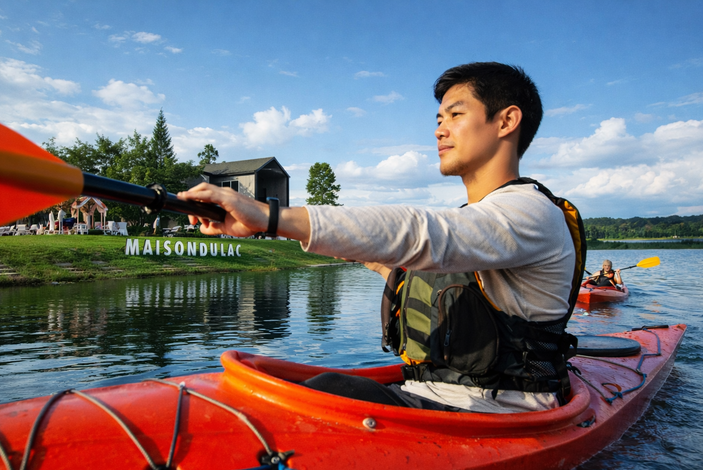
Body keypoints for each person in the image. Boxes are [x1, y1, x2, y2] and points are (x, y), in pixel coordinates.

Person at [178, 62, 584, 413]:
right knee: (322, 387)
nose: (440, 131)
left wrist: (271, 217)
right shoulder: (481, 222)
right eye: (438, 120)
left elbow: (421, 233)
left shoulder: (530, 212)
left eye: (455, 115)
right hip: (432, 395)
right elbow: (411, 264)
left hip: (498, 410)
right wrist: (310, 238)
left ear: (507, 121)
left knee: (329, 391)